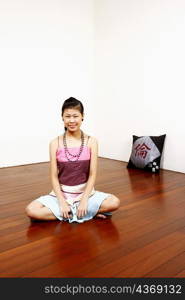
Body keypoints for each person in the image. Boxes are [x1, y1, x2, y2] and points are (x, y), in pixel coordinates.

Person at [25, 97, 120, 223]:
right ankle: (85, 212)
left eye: (75, 116)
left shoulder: (92, 142)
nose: (71, 120)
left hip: (86, 194)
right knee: (31, 210)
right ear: (62, 118)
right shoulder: (55, 143)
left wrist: (85, 200)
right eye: (67, 116)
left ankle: (73, 212)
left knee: (114, 202)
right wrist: (62, 202)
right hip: (62, 194)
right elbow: (54, 176)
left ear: (82, 116)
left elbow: (92, 174)